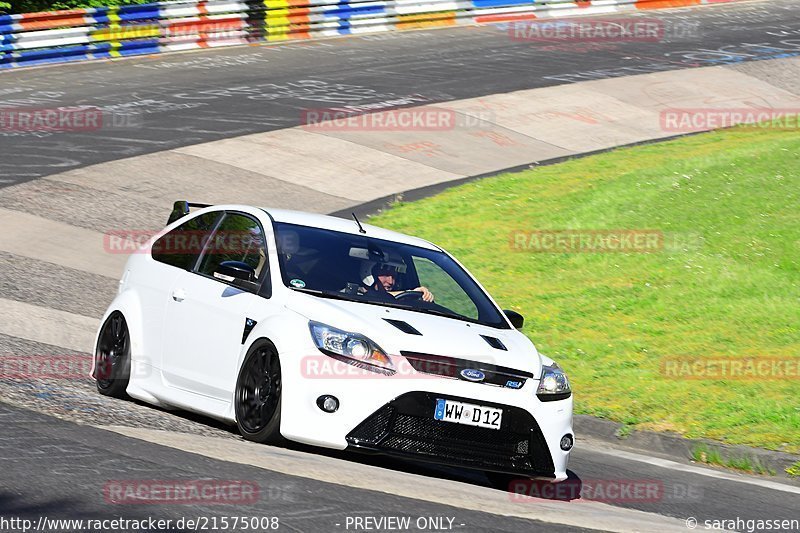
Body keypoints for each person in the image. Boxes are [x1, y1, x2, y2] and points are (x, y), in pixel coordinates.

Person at [368, 262, 434, 302]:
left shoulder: (399, 302)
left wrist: (425, 296)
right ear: (370, 274)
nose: (390, 282)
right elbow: (378, 296)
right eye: (386, 275)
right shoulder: (360, 296)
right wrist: (409, 292)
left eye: (393, 276)